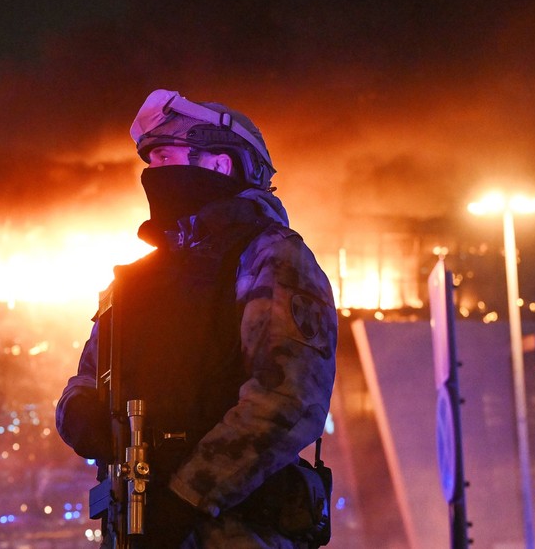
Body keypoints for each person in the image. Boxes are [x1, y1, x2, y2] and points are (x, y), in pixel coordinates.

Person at [55, 89, 337, 548]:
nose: (155, 174)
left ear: (221, 164)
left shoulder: (273, 257)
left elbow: (286, 400)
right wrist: (80, 415)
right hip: (134, 526)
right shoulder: (135, 282)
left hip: (235, 531)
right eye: (152, 161)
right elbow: (86, 378)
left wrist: (185, 500)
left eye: (168, 157)